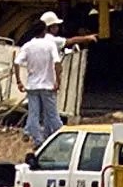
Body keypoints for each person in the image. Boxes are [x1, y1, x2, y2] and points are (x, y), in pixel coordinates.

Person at [14, 11, 97, 145]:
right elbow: (57, 62)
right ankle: (63, 139)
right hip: (47, 85)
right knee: (52, 115)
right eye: (56, 26)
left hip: (32, 86)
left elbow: (17, 62)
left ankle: (37, 138)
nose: (58, 28)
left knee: (34, 115)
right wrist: (57, 80)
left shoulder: (28, 45)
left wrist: (19, 81)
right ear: (48, 28)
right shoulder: (51, 43)